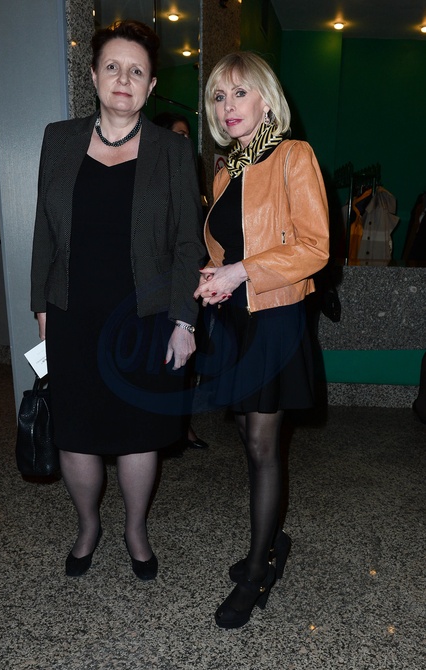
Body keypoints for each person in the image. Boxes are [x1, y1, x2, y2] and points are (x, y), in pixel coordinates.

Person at [30, 19, 205, 580]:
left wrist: (184, 321)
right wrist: (41, 308)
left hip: (143, 318)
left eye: (136, 71)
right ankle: (88, 526)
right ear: (93, 75)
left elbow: (188, 242)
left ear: (150, 86)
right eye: (112, 67)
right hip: (71, 313)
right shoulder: (59, 139)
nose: (123, 79)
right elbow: (44, 233)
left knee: (136, 435)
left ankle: (135, 528)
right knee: (76, 432)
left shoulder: (173, 151)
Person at [194, 52, 329, 628]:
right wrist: (214, 274)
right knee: (249, 444)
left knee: (262, 444)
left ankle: (256, 572)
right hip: (237, 321)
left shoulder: (294, 156)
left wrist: (241, 272)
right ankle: (271, 542)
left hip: (274, 317)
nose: (229, 107)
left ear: (267, 101)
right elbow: (228, 244)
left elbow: (315, 247)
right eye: (219, 97)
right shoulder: (227, 171)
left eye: (241, 93)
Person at [152, 110, 209, 451]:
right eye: (178, 134)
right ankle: (164, 429)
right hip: (159, 288)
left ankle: (181, 427)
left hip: (193, 283)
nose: (184, 141)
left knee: (186, 363)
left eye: (187, 135)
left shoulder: (191, 175)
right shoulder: (150, 176)